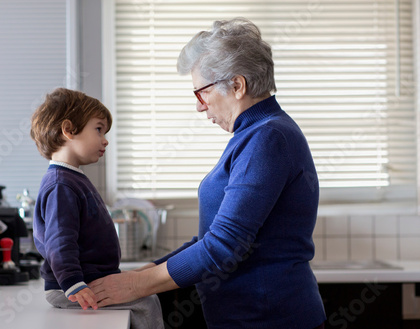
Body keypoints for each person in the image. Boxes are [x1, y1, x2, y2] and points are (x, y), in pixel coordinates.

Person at [90, 18, 326, 329]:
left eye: (202, 93)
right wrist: (140, 273)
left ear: (237, 86)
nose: (200, 107)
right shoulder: (254, 135)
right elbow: (210, 238)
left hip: (269, 318)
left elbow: (223, 246)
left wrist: (136, 285)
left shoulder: (268, 138)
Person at [30, 88, 163, 329]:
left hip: (87, 280)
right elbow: (60, 240)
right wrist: (74, 283)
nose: (105, 139)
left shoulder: (72, 179)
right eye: (98, 129)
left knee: (146, 298)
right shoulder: (62, 184)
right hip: (73, 286)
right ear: (69, 130)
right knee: (146, 302)